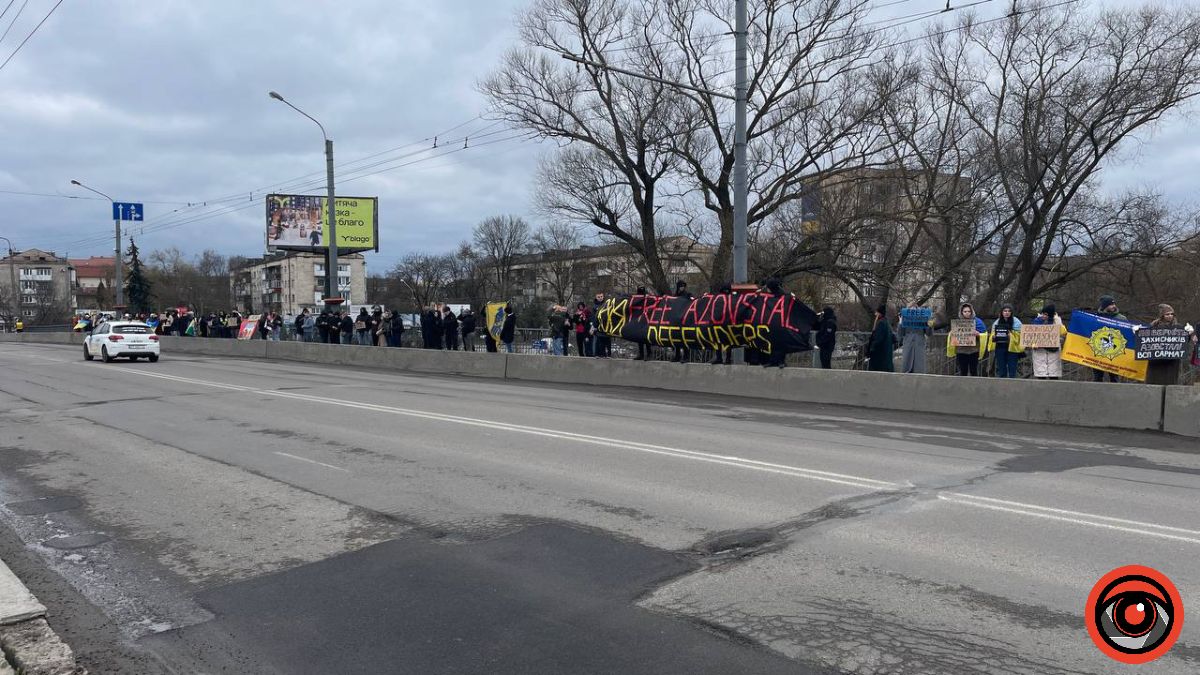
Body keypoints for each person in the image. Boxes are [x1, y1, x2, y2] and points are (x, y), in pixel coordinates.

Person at [1142, 304, 1195, 386]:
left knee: (1169, 383)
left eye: (1171, 314)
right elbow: (1145, 341)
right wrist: (1138, 333)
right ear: (1162, 315)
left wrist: (1188, 334)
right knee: (1154, 382)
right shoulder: (1153, 326)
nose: (1170, 316)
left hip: (1171, 362)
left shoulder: (1178, 327)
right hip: (1156, 361)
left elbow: (1182, 343)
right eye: (1167, 314)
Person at [947, 303, 988, 376]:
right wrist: (952, 334)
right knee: (963, 371)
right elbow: (953, 336)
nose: (967, 313)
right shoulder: (957, 323)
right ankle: (963, 384)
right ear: (961, 312)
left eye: (969, 311)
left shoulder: (978, 322)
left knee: (974, 371)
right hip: (961, 351)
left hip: (974, 351)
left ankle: (974, 384)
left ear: (972, 312)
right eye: (965, 311)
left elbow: (984, 334)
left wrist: (978, 334)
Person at [1092, 295, 1125, 382]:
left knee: (1114, 378)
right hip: (1099, 351)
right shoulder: (1095, 317)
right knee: (1097, 377)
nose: (1114, 306)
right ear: (1105, 306)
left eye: (1114, 304)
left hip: (1114, 352)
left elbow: (1126, 334)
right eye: (1111, 304)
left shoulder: (1121, 318)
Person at [1028, 305, 1065, 380]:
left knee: (1053, 374)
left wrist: (1057, 322)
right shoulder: (1036, 322)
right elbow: (1031, 336)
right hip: (1040, 352)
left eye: (1046, 314)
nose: (1044, 316)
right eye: (1043, 314)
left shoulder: (1057, 322)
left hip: (1053, 352)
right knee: (1041, 374)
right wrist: (1033, 344)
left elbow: (1063, 333)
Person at [989, 304, 1023, 378]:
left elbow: (1020, 335)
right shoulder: (997, 322)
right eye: (1005, 311)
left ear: (1011, 312)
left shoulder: (1017, 322)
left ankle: (1012, 384)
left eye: (1009, 311)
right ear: (1002, 312)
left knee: (1012, 370)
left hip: (1012, 349)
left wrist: (1011, 335)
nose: (1007, 312)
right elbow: (992, 334)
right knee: (1001, 369)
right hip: (1000, 347)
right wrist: (994, 336)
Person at [898, 303, 932, 374]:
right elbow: (900, 333)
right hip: (908, 345)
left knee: (919, 368)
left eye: (914, 309)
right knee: (906, 368)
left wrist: (929, 322)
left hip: (919, 346)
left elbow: (929, 333)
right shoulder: (905, 319)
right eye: (911, 310)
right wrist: (900, 322)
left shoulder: (922, 319)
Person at [866, 305, 895, 372]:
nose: (875, 314)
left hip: (880, 355)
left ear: (879, 313)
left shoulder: (881, 323)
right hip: (885, 355)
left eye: (876, 312)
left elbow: (878, 339)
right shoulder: (886, 322)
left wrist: (871, 349)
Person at [670, 280, 692, 363]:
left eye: (683, 286)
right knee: (676, 339)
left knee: (684, 339)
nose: (682, 287)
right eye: (681, 286)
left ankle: (686, 356)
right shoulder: (675, 296)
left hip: (684, 320)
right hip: (676, 320)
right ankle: (677, 356)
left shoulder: (688, 295)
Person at [592, 293, 611, 358]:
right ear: (596, 298)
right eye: (598, 297)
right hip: (598, 326)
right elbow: (594, 317)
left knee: (607, 340)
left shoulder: (606, 304)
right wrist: (594, 326)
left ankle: (607, 354)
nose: (600, 298)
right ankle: (597, 354)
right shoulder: (595, 306)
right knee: (598, 341)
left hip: (606, 326)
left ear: (603, 297)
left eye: (601, 296)